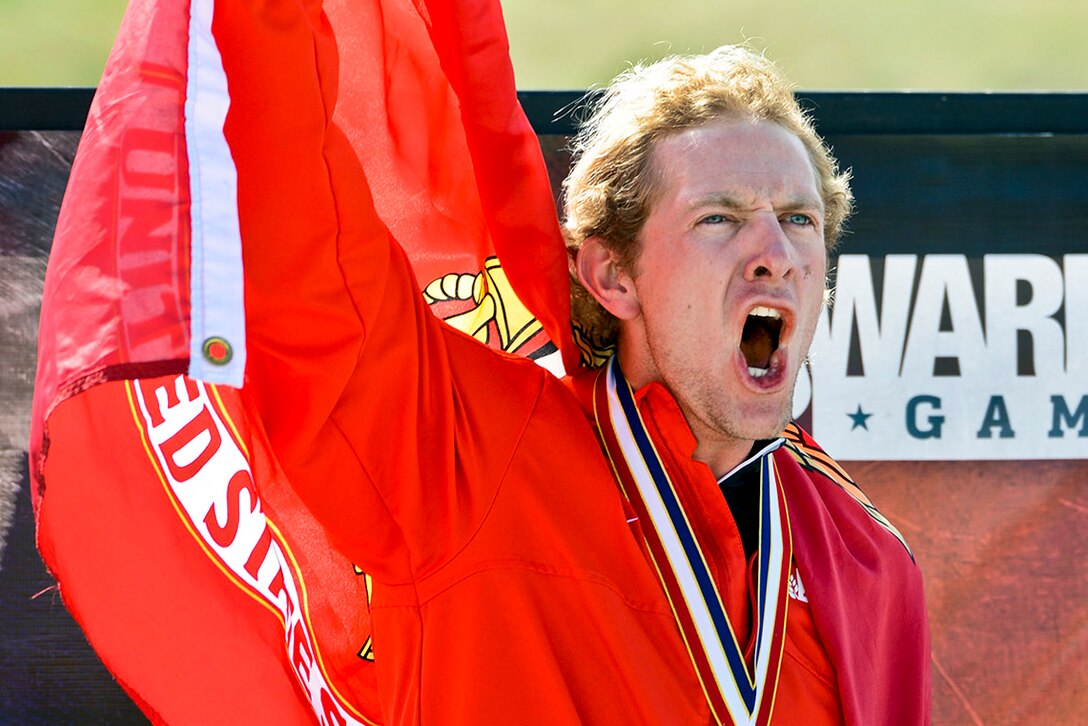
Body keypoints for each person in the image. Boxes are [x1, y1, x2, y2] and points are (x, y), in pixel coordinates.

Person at [283, 44, 929, 724]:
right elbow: (302, 250)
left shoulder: (867, 559)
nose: (776, 256)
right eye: (719, 218)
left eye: (799, 219)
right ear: (613, 276)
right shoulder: (472, 458)